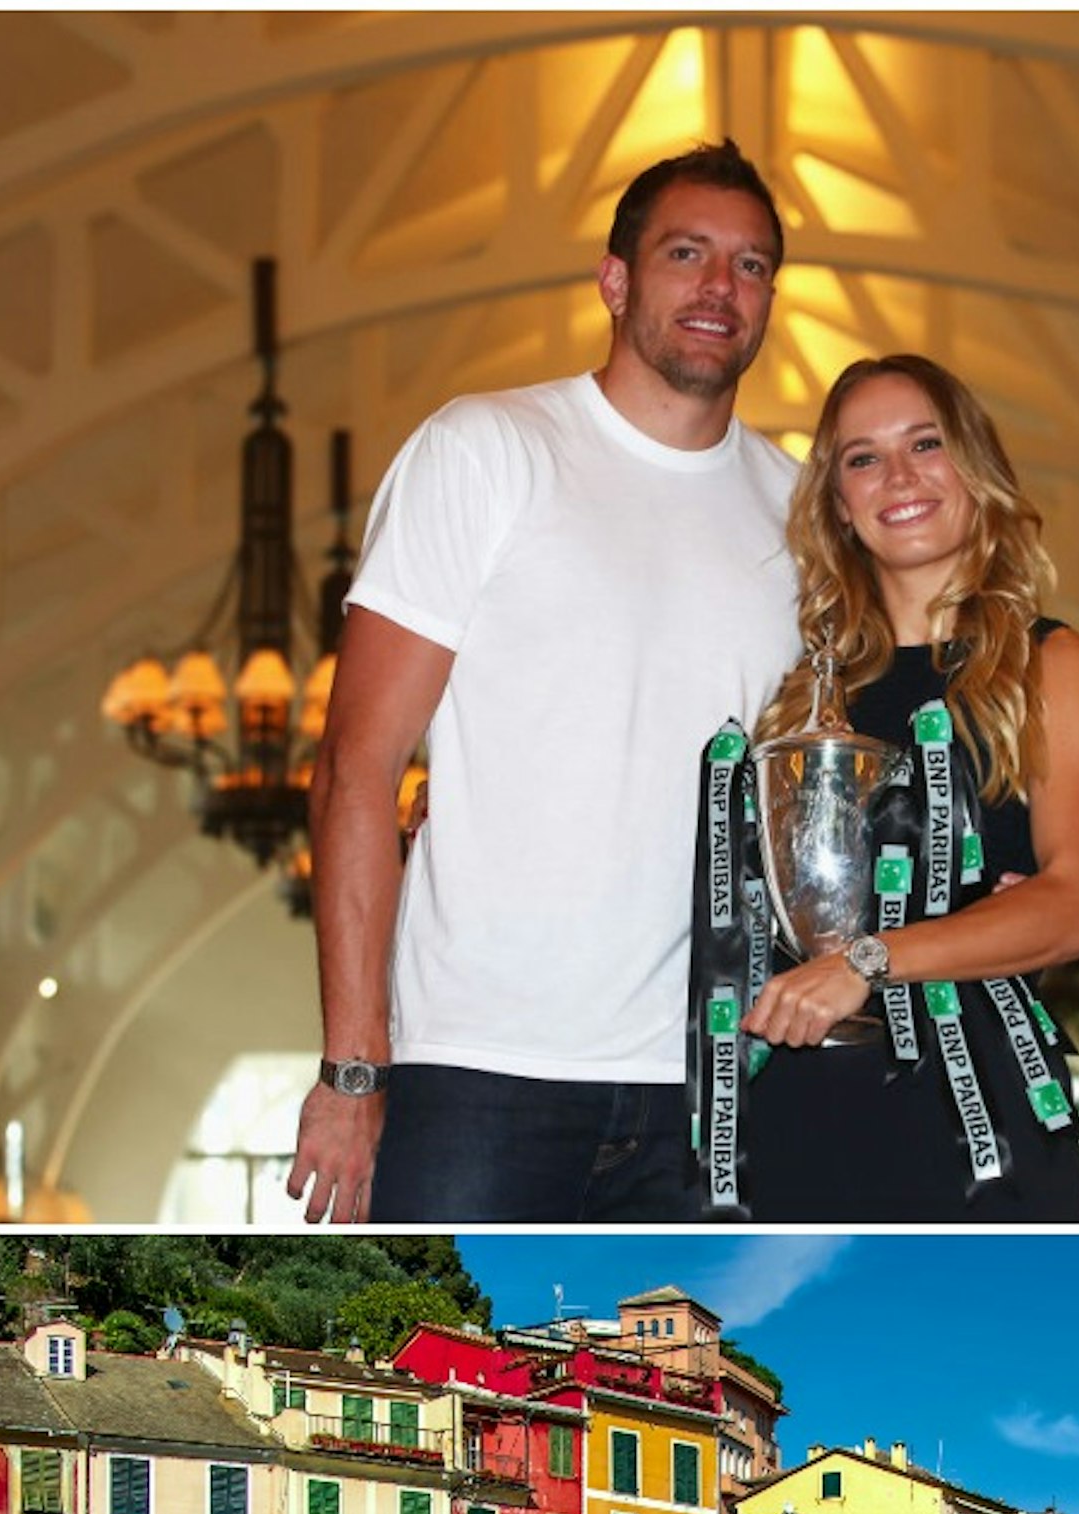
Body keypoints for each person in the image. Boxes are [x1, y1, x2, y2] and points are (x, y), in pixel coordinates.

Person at [290, 141, 802, 1222]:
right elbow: (357, 766)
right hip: (479, 1069)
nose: (721, 287)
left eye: (751, 266)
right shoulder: (487, 450)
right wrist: (353, 1066)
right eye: (687, 253)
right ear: (615, 280)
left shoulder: (800, 509)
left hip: (711, 1083)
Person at [736, 353, 1079, 1216]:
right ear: (838, 501)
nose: (897, 477)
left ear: (973, 465)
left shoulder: (1050, 666)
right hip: (794, 1104)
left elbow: (1077, 908)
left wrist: (868, 961)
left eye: (925, 444)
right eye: (862, 458)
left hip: (978, 1115)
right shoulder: (795, 691)